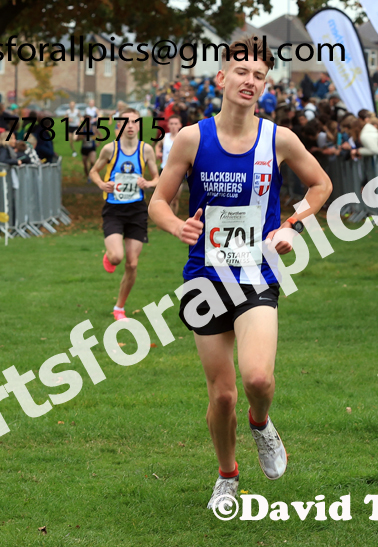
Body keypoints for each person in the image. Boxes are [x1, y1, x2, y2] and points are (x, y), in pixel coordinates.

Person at [147, 35, 332, 511]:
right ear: (222, 77)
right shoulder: (191, 138)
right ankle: (227, 476)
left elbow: (320, 185)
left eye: (259, 76)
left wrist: (290, 225)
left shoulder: (279, 138)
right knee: (222, 396)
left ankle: (262, 424)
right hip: (204, 279)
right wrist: (177, 226)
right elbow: (158, 203)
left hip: (257, 274)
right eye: (243, 72)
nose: (250, 82)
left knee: (257, 381)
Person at [89, 109, 159, 321]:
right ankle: (110, 255)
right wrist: (102, 184)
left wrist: (147, 183)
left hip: (137, 211)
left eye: (134, 122)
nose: (130, 126)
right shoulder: (110, 149)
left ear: (139, 125)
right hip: (114, 210)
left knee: (132, 263)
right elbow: (93, 171)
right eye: (125, 122)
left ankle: (119, 307)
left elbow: (158, 177)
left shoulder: (146, 150)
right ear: (118, 126)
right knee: (118, 257)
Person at [155, 115, 183, 215]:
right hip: (165, 169)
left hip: (179, 171)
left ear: (180, 125)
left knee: (175, 198)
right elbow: (157, 146)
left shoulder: (183, 137)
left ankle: (174, 217)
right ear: (168, 125)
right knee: (165, 198)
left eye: (176, 123)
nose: (173, 126)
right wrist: (158, 152)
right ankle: (167, 219)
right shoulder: (164, 136)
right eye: (171, 123)